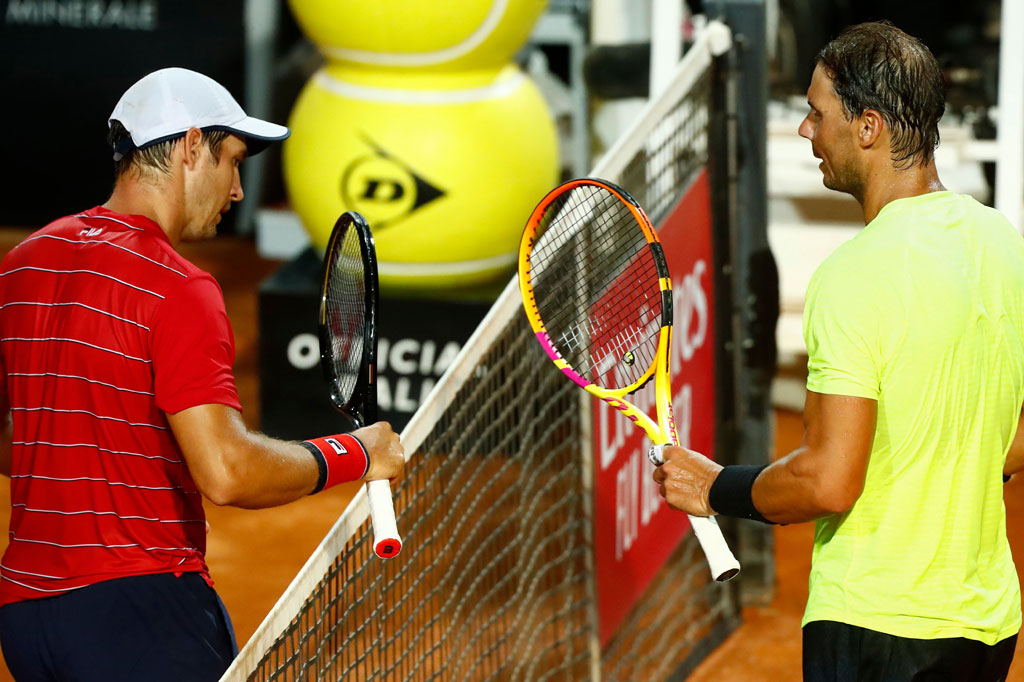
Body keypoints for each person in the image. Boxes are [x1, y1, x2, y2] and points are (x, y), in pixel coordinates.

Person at [0, 67, 405, 681]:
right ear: (191, 146)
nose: (238, 190)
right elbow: (227, 471)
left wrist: (128, 469)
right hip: (139, 616)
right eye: (234, 161)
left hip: (26, 620)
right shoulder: (180, 288)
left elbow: (16, 439)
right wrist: (358, 454)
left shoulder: (23, 263)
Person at [653, 21, 1024, 682]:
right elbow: (1014, 441)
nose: (806, 130)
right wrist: (943, 466)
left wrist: (715, 486)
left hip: (878, 628)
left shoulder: (855, 275)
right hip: (986, 624)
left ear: (868, 127)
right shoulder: (1003, 243)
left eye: (817, 113)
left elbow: (827, 480)